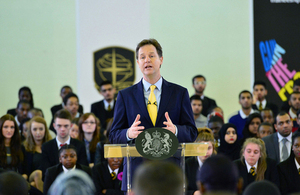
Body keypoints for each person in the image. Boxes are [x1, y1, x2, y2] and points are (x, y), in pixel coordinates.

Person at [109, 39, 198, 191]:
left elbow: (192, 132)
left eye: (151, 56)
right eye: (142, 57)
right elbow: (114, 135)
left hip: (170, 172)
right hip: (137, 173)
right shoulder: (125, 95)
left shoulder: (179, 93)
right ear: (137, 62)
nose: (147, 60)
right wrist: (129, 133)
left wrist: (176, 130)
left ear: (161, 60)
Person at [41, 109, 88, 179]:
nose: (62, 129)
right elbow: (45, 173)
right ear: (54, 126)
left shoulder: (80, 145)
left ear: (71, 126)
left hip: (76, 182)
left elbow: (83, 170)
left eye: (66, 126)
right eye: (59, 126)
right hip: (54, 185)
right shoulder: (46, 147)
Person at [23, 116, 52, 192]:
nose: (38, 132)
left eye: (41, 129)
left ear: (45, 130)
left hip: (47, 177)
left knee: (33, 185)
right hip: (31, 175)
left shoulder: (51, 146)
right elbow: (25, 169)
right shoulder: (25, 148)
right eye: (35, 129)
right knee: (38, 173)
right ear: (30, 131)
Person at [185, 128, 215, 195]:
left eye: (209, 148)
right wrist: (194, 193)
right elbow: (181, 190)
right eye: (202, 148)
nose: (206, 152)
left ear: (213, 148)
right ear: (195, 148)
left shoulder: (218, 164)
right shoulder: (187, 164)